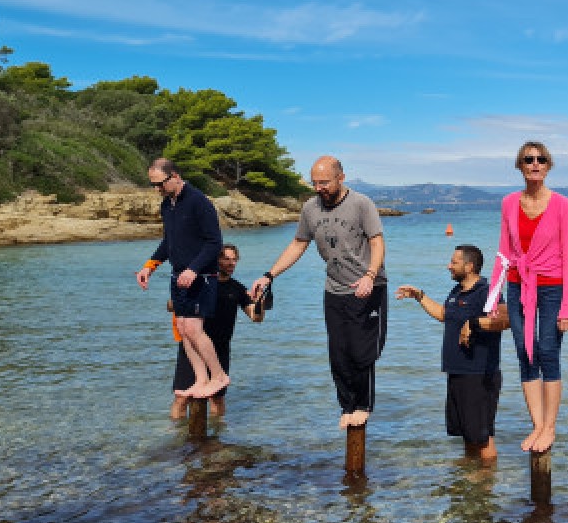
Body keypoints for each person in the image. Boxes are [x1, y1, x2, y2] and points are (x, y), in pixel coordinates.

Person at [249, 156, 387, 430]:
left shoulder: (361, 204)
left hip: (368, 287)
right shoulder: (310, 209)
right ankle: (347, 406)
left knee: (362, 353)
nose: (319, 187)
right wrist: (269, 275)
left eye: (324, 182)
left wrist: (370, 276)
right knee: (338, 354)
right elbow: (298, 244)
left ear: (340, 178)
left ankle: (363, 405)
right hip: (334, 289)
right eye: (315, 183)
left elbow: (377, 242)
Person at [485, 141, 568, 453]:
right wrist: (493, 300)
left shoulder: (563, 205)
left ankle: (550, 427)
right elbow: (503, 252)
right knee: (526, 356)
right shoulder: (509, 202)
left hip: (552, 286)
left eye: (540, 159)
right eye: (528, 159)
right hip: (516, 285)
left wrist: (567, 307)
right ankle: (537, 425)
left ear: (548, 166)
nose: (534, 164)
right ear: (520, 166)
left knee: (548, 351)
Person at [395, 245, 508, 462]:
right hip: (457, 372)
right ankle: (469, 485)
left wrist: (473, 323)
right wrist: (420, 296)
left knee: (483, 438)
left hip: (479, 374)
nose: (448, 266)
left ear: (469, 266)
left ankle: (485, 490)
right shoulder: (457, 292)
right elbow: (444, 315)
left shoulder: (486, 291)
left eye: (454, 262)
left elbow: (504, 320)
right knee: (467, 436)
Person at [136, 158, 229, 400]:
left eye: (160, 184)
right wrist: (150, 266)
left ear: (175, 176)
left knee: (194, 328)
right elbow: (169, 243)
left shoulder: (200, 202)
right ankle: (201, 379)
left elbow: (214, 243)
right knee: (182, 328)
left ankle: (218, 376)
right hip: (178, 277)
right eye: (153, 185)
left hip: (202, 277)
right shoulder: (167, 205)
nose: (157, 190)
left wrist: (194, 269)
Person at [170, 244, 266, 420]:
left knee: (217, 399)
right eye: (226, 259)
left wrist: (260, 303)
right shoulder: (200, 283)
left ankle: (217, 439)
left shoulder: (237, 288)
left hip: (220, 349)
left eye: (234, 260)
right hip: (193, 347)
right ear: (216, 260)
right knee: (182, 397)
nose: (231, 263)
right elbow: (171, 305)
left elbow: (256, 317)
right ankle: (177, 441)